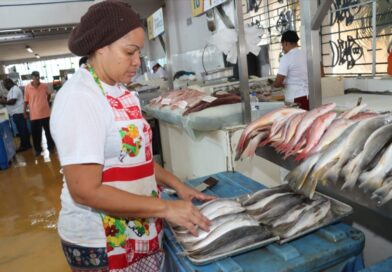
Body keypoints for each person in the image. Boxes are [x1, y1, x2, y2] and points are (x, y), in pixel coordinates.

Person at [50, 1, 214, 271]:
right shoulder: (80, 98)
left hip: (138, 228)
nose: (138, 61)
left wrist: (178, 185)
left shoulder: (123, 92)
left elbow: (135, 158)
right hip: (100, 242)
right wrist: (165, 208)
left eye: (139, 52)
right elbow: (84, 191)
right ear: (101, 46)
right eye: (130, 52)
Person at [272, 30, 309, 110]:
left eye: (282, 46)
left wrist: (273, 85)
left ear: (285, 43)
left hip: (295, 98)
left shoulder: (286, 57)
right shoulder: (305, 54)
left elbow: (278, 82)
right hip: (308, 96)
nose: (283, 49)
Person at [24, 71, 56, 156]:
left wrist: (46, 101)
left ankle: (51, 147)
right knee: (36, 134)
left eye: (38, 76)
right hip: (34, 115)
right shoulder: (27, 87)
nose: (37, 78)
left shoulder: (44, 86)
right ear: (32, 77)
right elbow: (25, 101)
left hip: (46, 113)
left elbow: (48, 95)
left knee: (49, 132)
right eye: (35, 77)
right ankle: (38, 150)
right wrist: (24, 112)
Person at [0, 78, 31, 152]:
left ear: (9, 83)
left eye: (5, 85)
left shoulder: (15, 89)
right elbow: (9, 99)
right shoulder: (11, 90)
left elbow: (12, 101)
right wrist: (3, 99)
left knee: (22, 130)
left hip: (18, 113)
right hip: (16, 113)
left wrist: (2, 101)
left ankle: (24, 146)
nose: (5, 87)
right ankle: (27, 144)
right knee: (23, 130)